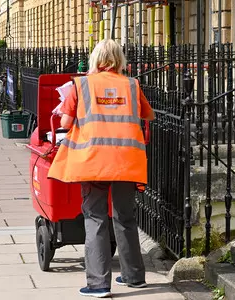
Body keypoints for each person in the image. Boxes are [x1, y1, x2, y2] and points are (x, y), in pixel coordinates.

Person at [48, 39, 155, 298]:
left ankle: (98, 284)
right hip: (126, 162)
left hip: (93, 160)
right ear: (120, 59)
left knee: (95, 218)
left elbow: (65, 120)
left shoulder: (81, 84)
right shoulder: (132, 85)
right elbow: (147, 116)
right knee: (125, 218)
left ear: (95, 58)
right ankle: (134, 277)